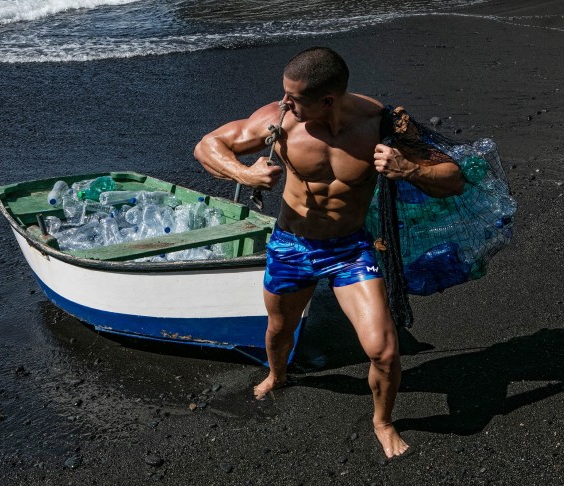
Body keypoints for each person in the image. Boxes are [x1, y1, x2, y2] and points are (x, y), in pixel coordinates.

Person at [194, 46, 464, 458]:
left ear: (328, 100)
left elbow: (453, 177)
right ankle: (278, 374)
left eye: (293, 98)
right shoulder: (279, 121)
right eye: (284, 94)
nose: (284, 102)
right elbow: (208, 145)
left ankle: (382, 421)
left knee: (384, 351)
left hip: (349, 250)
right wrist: (244, 173)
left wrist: (408, 169)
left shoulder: (382, 124)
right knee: (279, 329)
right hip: (291, 245)